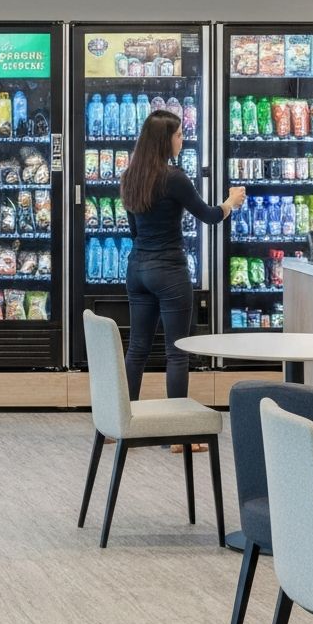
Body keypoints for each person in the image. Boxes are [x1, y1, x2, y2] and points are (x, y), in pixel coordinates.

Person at [121, 110, 246, 436]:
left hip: (137, 269)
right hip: (169, 271)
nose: (182, 140)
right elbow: (208, 215)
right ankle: (177, 434)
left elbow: (134, 230)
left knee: (137, 349)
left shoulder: (130, 176)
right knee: (176, 353)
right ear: (166, 140)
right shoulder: (174, 177)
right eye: (178, 135)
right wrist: (231, 201)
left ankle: (118, 424)